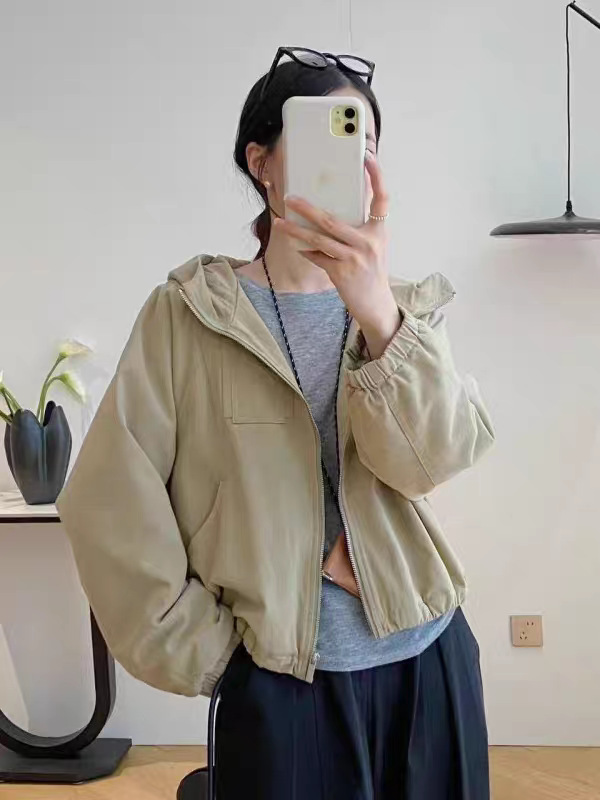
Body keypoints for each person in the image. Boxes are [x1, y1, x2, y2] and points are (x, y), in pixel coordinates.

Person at [57, 48, 496, 800]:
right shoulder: (188, 316)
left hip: (429, 660)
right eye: (328, 139)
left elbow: (434, 459)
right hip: (281, 680)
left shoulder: (405, 311)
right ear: (262, 163)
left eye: (364, 144)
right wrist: (209, 655)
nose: (350, 162)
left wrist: (379, 316)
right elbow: (110, 502)